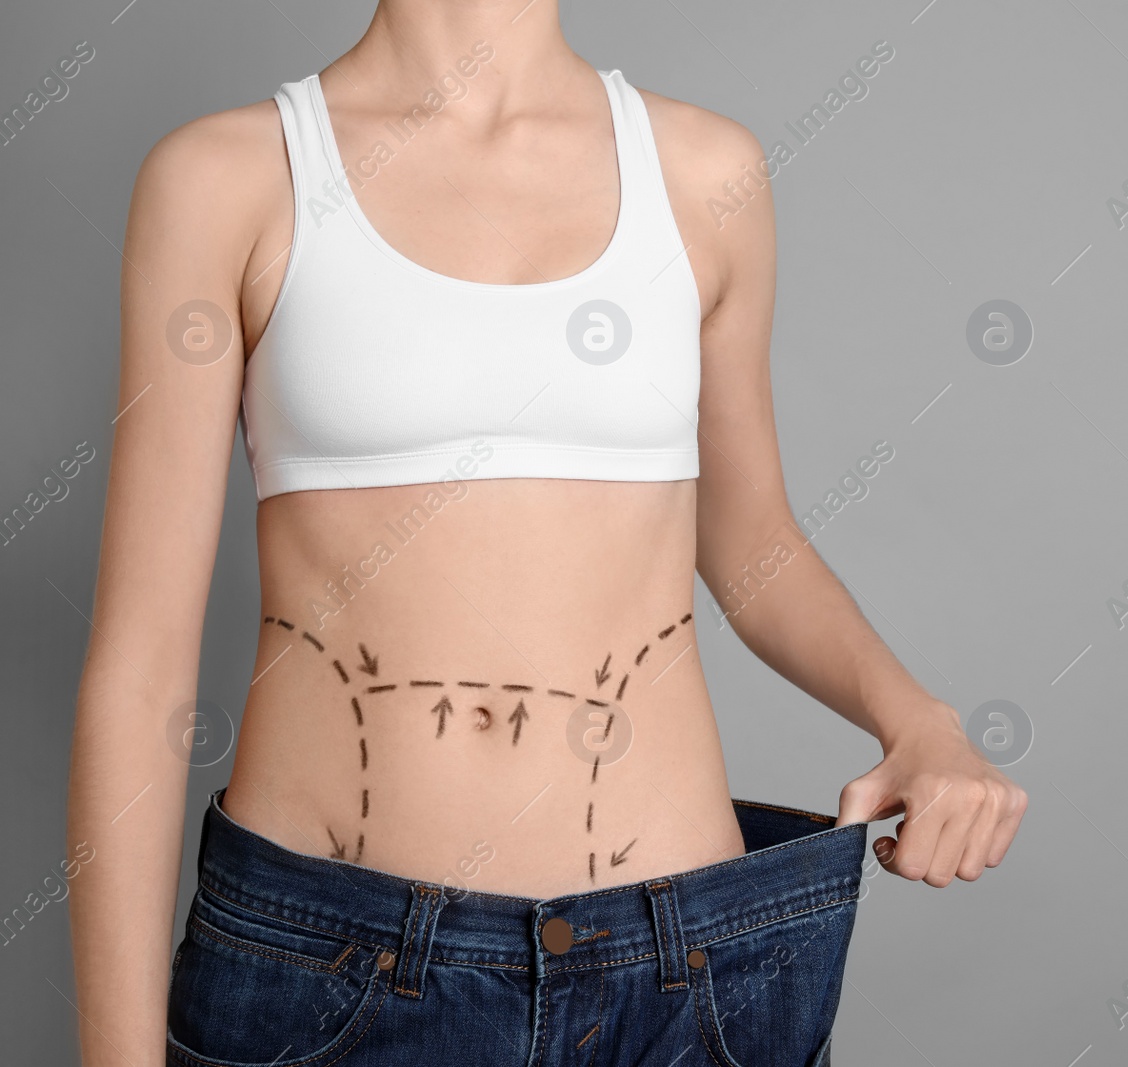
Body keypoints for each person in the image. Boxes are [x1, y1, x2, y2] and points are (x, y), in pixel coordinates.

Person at [66, 1, 1028, 1063]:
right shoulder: (228, 176)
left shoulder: (708, 173)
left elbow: (755, 544)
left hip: (683, 978)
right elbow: (143, 665)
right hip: (333, 972)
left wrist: (918, 719)